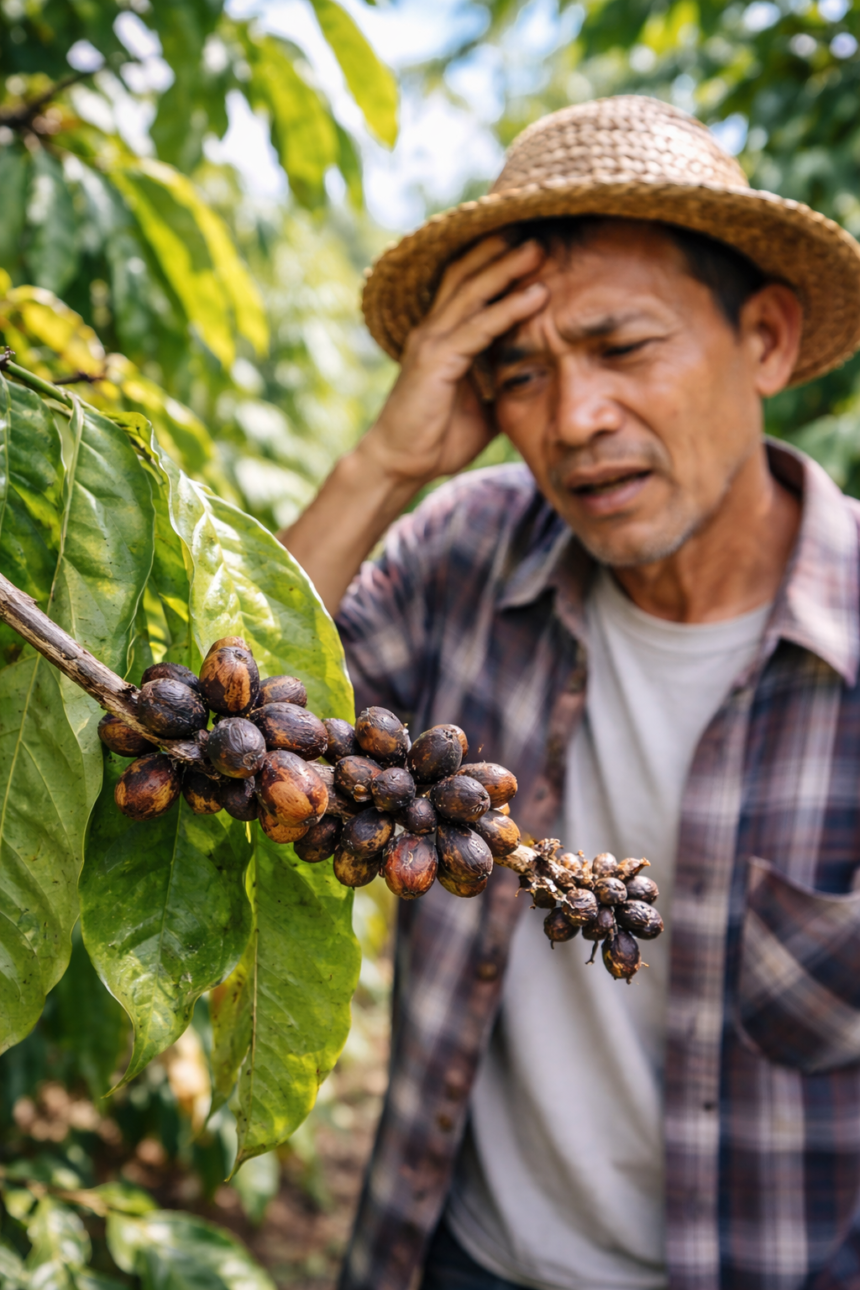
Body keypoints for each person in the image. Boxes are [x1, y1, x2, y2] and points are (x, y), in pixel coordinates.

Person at [282, 96, 860, 1290]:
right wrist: (383, 465)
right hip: (452, 1255)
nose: (572, 420)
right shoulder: (463, 555)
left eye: (620, 347)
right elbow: (209, 730)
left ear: (762, 337)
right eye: (518, 375)